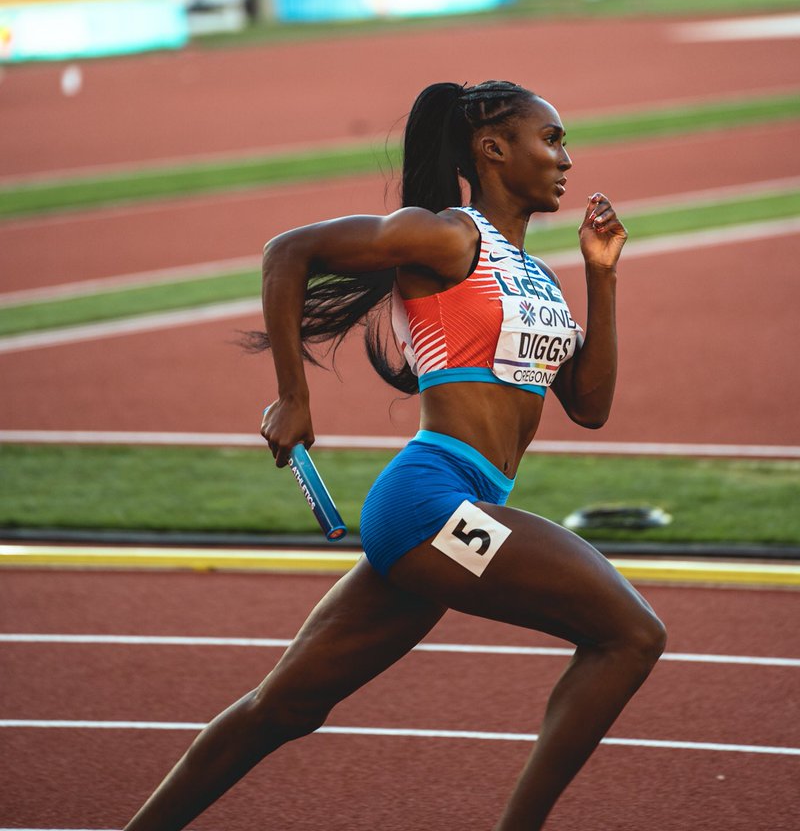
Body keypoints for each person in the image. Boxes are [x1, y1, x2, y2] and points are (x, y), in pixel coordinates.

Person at [124, 79, 666, 831]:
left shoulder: (537, 276)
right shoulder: (449, 236)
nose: (566, 159)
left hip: (461, 509)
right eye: (552, 139)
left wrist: (601, 277)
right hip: (430, 500)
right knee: (631, 634)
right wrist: (294, 397)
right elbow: (292, 251)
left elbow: (591, 405)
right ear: (494, 148)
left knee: (284, 707)